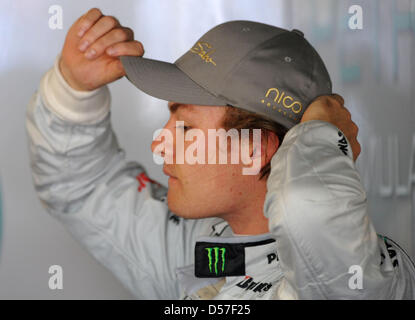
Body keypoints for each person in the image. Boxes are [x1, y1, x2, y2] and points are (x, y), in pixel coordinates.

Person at [26, 8, 415, 299]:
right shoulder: (205, 250)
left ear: (258, 149)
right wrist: (73, 91)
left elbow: (316, 233)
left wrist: (320, 140)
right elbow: (83, 188)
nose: (160, 142)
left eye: (186, 128)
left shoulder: (358, 279)